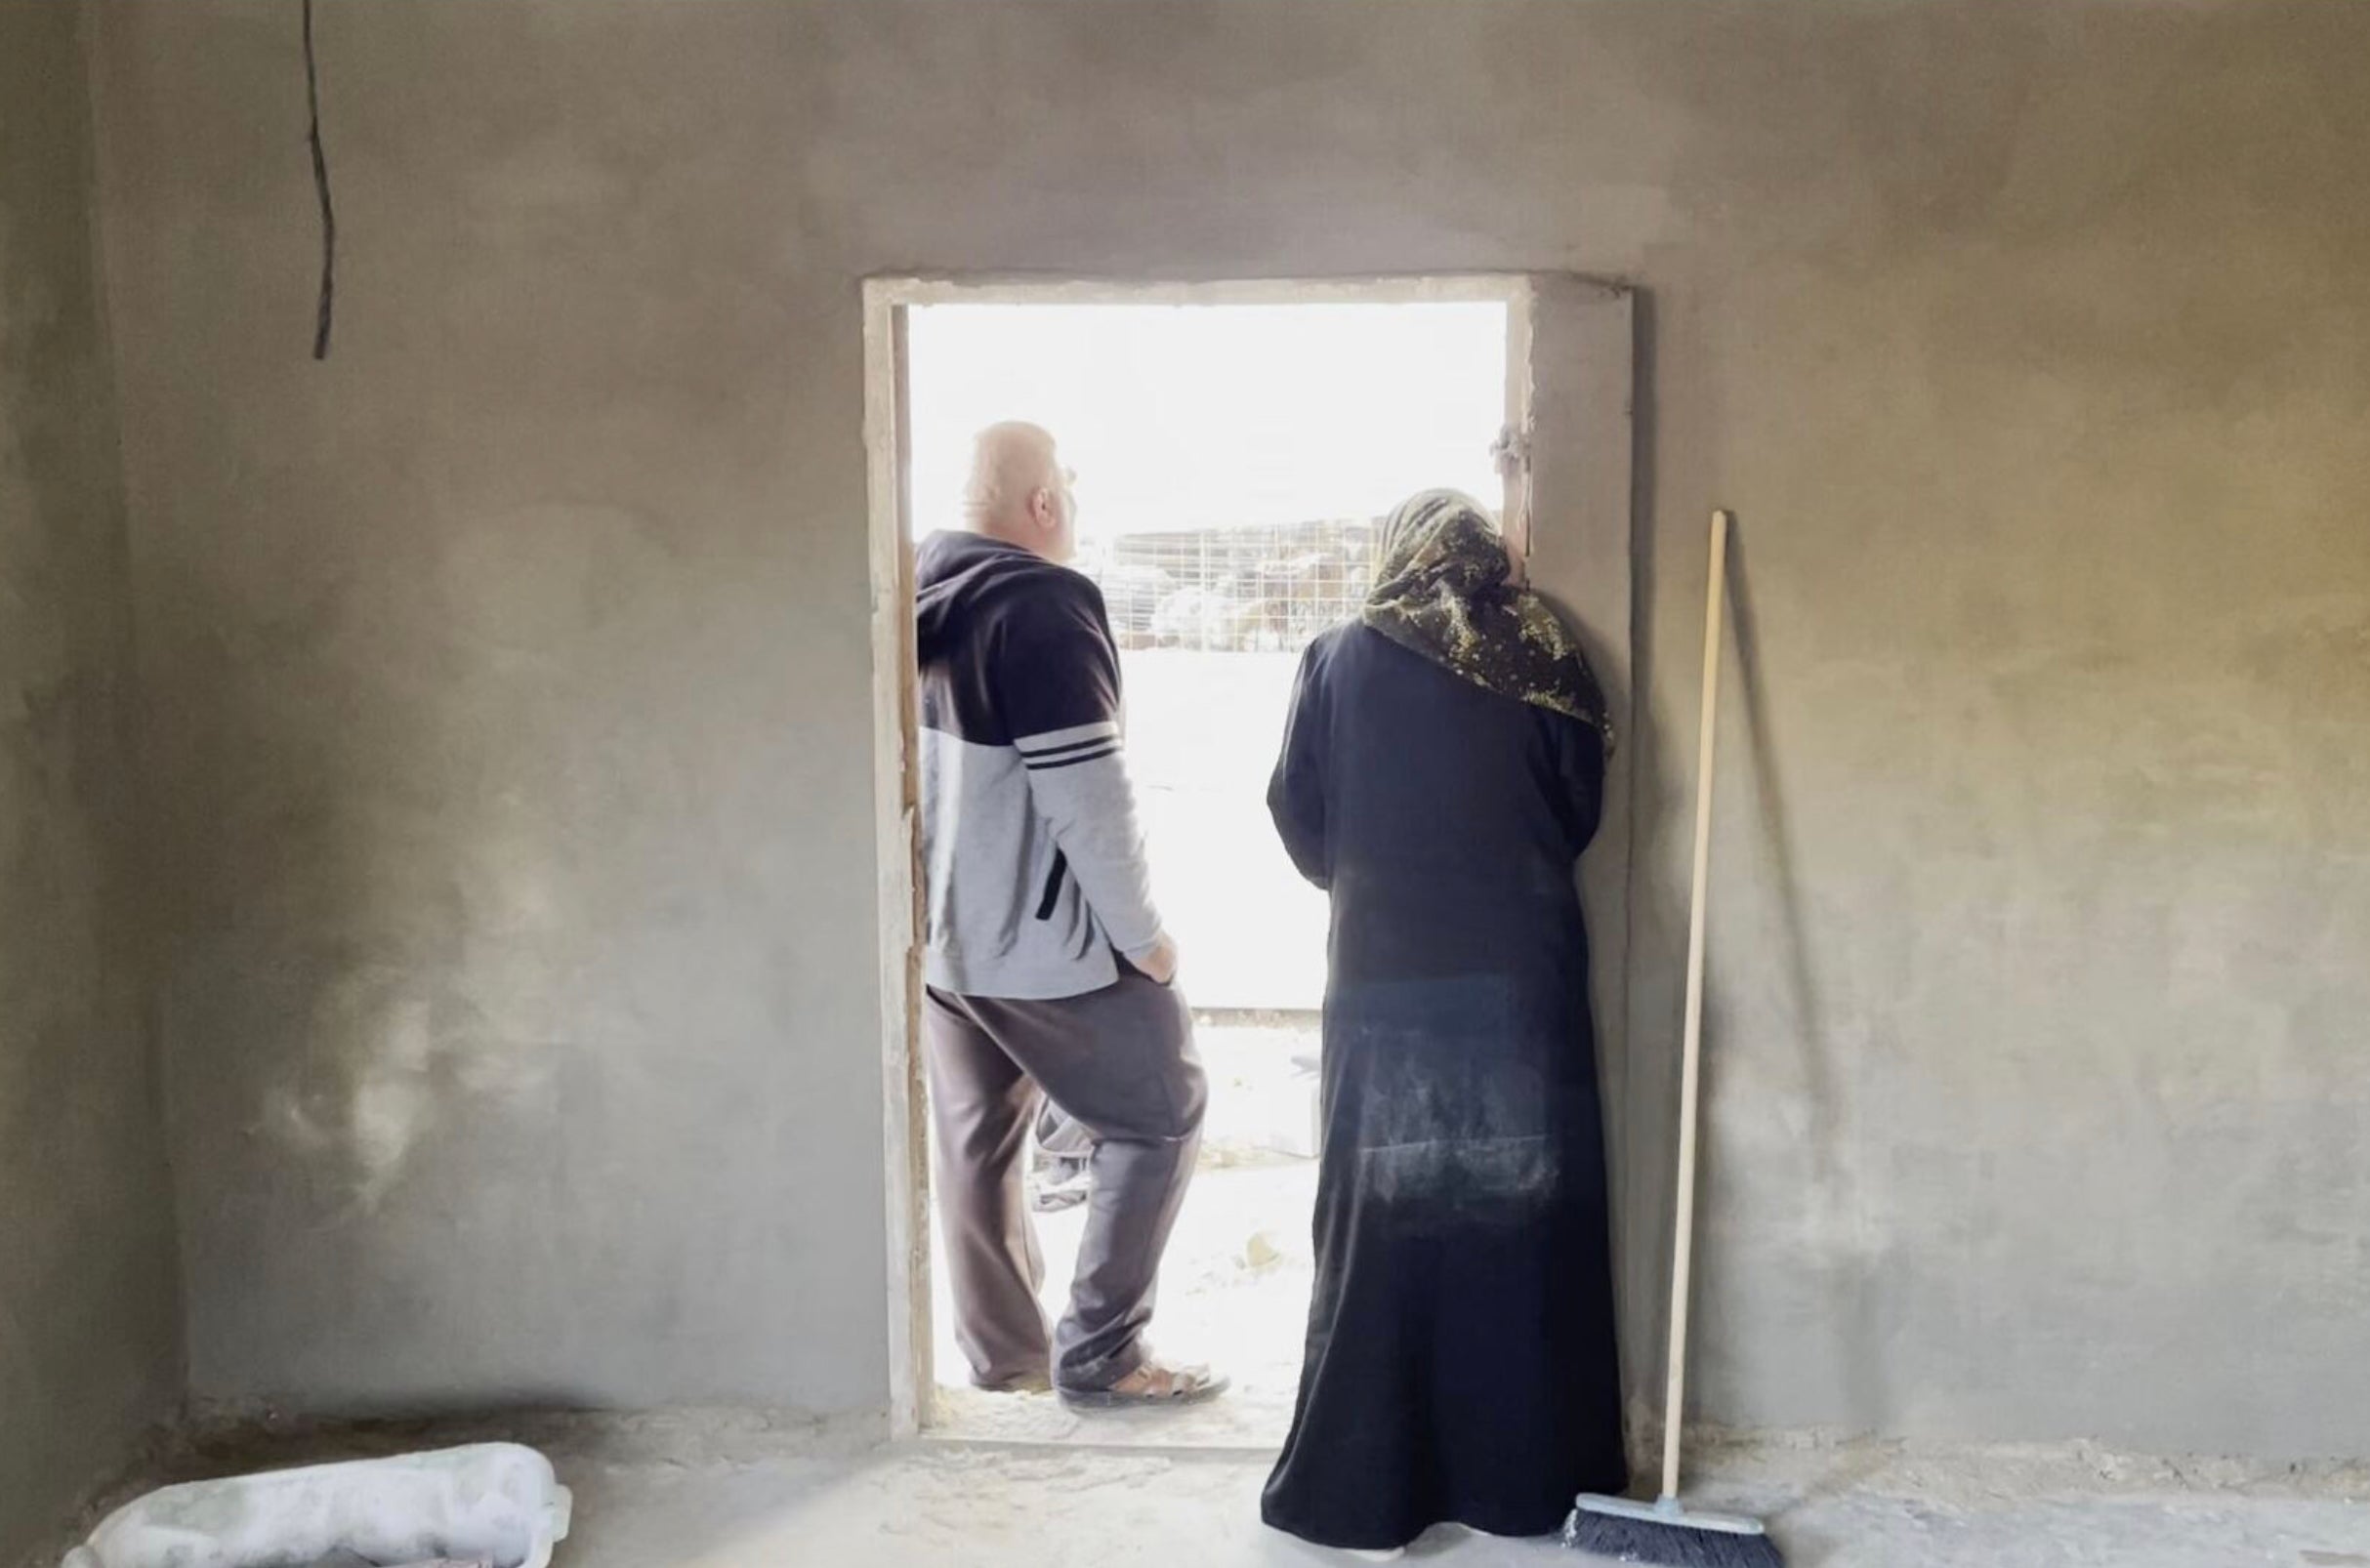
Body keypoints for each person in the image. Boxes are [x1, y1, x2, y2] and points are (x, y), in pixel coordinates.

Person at [1261, 489, 1627, 1551]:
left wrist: (1380, 876)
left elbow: (1300, 815)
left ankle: (1366, 1486)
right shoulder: (1546, 651)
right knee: (1525, 1217)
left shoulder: (1338, 656)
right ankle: (1530, 1482)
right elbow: (1580, 813)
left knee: (1385, 1225)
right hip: (1523, 983)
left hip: (1383, 984)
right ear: (1483, 560)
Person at [913, 421, 1227, 1409]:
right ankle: (1101, 1354)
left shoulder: (920, 591)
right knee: (1164, 1111)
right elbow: (1088, 796)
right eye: (1073, 495)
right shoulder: (1044, 602)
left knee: (979, 1145)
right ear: (1044, 504)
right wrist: (1146, 941)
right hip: (1040, 949)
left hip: (941, 945)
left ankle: (1007, 1362)